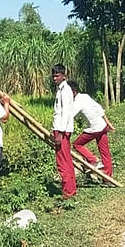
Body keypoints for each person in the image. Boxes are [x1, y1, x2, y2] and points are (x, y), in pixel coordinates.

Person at [68, 81, 115, 177]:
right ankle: (108, 176)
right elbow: (99, 108)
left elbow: (70, 116)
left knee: (77, 144)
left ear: (73, 92)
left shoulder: (77, 102)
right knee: (105, 152)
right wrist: (108, 124)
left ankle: (93, 160)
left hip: (95, 128)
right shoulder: (85, 96)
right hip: (102, 126)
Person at [51, 64, 76, 199]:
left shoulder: (65, 91)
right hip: (60, 129)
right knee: (66, 159)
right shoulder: (60, 90)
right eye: (54, 75)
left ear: (64, 76)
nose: (55, 78)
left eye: (57, 75)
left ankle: (68, 191)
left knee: (62, 161)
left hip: (63, 131)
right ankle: (71, 188)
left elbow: (65, 113)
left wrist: (59, 133)